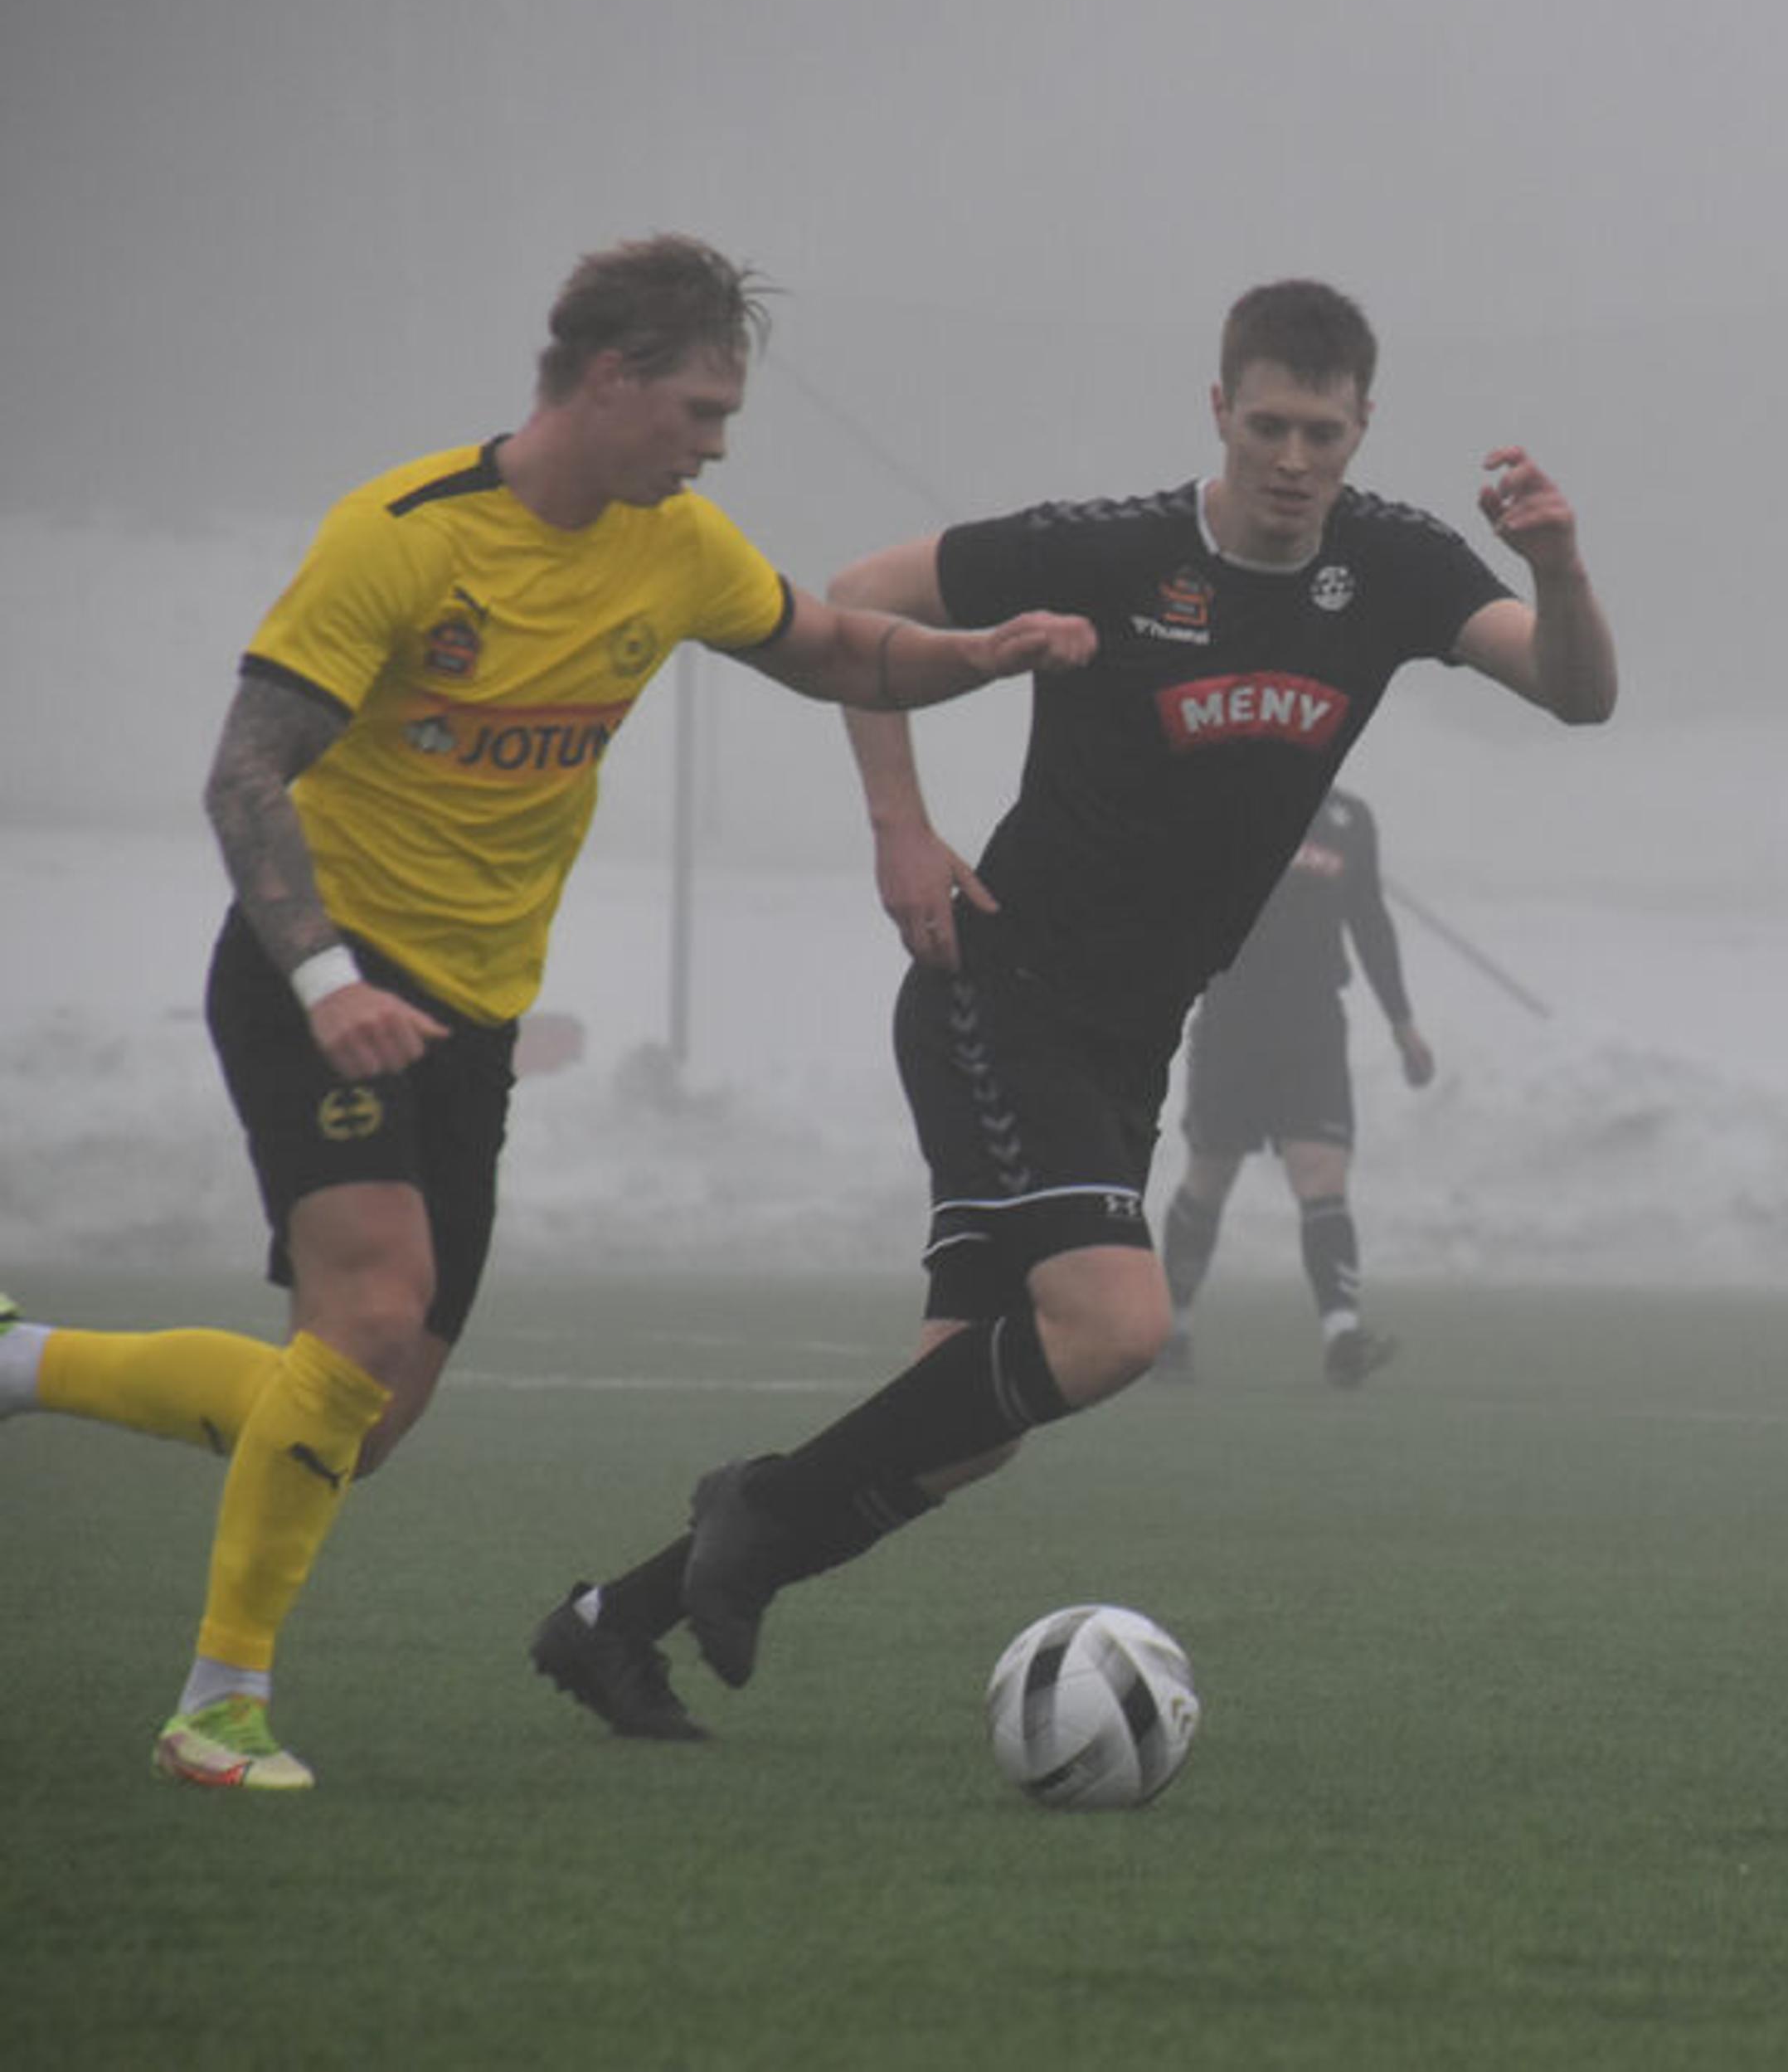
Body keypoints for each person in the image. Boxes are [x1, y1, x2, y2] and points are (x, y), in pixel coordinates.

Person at [0, 236, 1094, 1790]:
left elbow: (831, 646)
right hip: (322, 974)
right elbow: (244, 777)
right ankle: (218, 1708)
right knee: (369, 1316)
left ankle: (26, 1364)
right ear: (609, 377)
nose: (717, 444)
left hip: (473, 1014)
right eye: (701, 409)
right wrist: (326, 984)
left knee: (357, 1419)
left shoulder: (675, 545)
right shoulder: (403, 537)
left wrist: (978, 654)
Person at [534, 277, 1614, 1740]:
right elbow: (858, 594)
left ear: (1364, 426)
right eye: (1269, 426)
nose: (1294, 460)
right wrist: (900, 830)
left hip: (1131, 1037)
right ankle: (758, 1510)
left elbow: (1575, 692)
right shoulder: (1109, 551)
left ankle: (613, 1624)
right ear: (1219, 410)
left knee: (960, 1423)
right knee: (1110, 1329)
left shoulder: (1396, 566)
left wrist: (1558, 566)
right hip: (1003, 992)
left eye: (1324, 433)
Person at [1157, 785, 1434, 1385]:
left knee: (1321, 1173)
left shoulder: (1349, 818)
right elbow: (1173, 897)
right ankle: (1172, 1329)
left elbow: (1370, 921)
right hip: (1233, 1019)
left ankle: (1342, 1336)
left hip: (1312, 1025)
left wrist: (1402, 1023)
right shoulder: (1229, 794)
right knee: (1210, 1175)